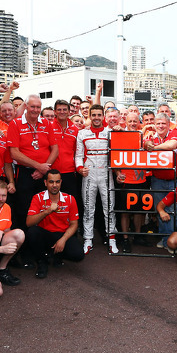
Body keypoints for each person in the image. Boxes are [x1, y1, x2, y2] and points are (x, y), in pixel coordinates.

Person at [8, 94, 59, 225]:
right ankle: (24, 241)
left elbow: (55, 149)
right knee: (24, 208)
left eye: (38, 107)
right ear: (26, 106)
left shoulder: (47, 123)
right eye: (32, 106)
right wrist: (38, 166)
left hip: (44, 172)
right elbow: (14, 153)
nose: (35, 110)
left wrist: (43, 169)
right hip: (24, 173)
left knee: (45, 206)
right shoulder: (15, 123)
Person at [75, 104, 119, 255]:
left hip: (106, 173)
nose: (96, 118)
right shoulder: (82, 133)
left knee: (109, 207)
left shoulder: (111, 132)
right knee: (88, 207)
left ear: (103, 116)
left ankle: (112, 238)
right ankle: (88, 239)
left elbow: (118, 153)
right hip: (89, 174)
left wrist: (120, 131)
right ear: (90, 116)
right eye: (93, 115)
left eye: (99, 115)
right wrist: (80, 168)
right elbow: (79, 155)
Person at [26, 170, 84, 279]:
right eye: (51, 182)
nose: (54, 185)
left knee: (79, 255)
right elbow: (29, 222)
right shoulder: (38, 198)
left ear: (61, 182)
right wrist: (47, 211)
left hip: (62, 234)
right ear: (45, 183)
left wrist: (63, 239)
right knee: (32, 232)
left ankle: (55, 254)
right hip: (45, 234)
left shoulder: (70, 199)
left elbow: (74, 224)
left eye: (57, 182)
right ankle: (42, 262)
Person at [142, 112, 177, 249]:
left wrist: (154, 148)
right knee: (160, 209)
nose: (161, 126)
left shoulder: (174, 134)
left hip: (174, 179)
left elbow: (172, 145)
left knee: (172, 210)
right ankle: (165, 239)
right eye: (158, 123)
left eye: (163, 123)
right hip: (157, 179)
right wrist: (146, 139)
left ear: (169, 124)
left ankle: (171, 241)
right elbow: (141, 144)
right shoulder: (150, 136)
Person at [115, 112, 149, 253]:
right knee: (125, 212)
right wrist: (117, 174)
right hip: (126, 180)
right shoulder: (120, 136)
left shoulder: (143, 136)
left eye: (135, 121)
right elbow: (114, 157)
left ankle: (138, 236)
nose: (133, 123)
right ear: (126, 122)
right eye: (130, 121)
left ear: (139, 122)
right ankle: (125, 238)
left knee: (139, 211)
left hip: (141, 179)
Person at [49, 99, 82, 209]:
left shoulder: (75, 129)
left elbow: (77, 152)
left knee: (70, 202)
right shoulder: (48, 127)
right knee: (52, 202)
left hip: (70, 172)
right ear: (55, 111)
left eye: (64, 109)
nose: (62, 112)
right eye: (59, 109)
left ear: (69, 112)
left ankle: (73, 225)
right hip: (52, 171)